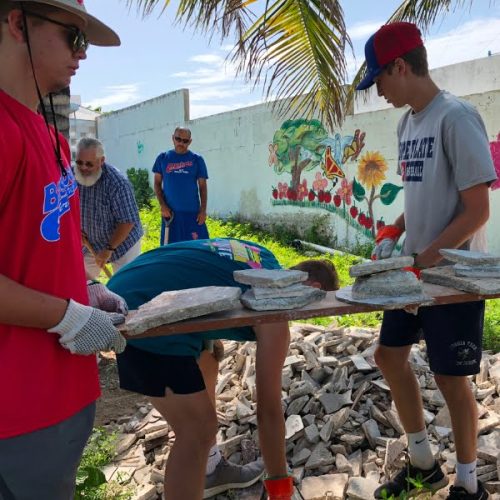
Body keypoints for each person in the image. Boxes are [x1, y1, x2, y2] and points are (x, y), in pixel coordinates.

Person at [356, 22, 497, 500]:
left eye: (380, 79)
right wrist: (397, 226)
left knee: (451, 379)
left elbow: (478, 209)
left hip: (451, 276)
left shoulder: (456, 117)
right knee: (388, 356)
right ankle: (422, 465)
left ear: (400, 66)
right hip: (413, 274)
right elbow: (425, 194)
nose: (379, 91)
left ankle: (468, 484)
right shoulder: (407, 122)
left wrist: (423, 260)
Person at [0, 1, 127, 498]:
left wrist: (87, 288)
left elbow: (45, 239)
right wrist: (69, 317)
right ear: (17, 24)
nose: (83, 54)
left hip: (64, 394)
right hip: (17, 406)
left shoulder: (52, 137)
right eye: (73, 37)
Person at [107, 238, 339, 500]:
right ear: (314, 288)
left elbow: (200, 271)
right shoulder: (275, 306)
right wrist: (279, 487)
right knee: (198, 430)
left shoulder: (263, 255)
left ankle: (209, 469)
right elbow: (268, 409)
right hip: (139, 313)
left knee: (209, 357)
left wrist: (208, 337)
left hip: (126, 286)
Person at [76, 137, 144, 279]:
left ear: (101, 161)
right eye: (79, 162)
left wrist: (108, 249)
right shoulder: (72, 176)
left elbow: (127, 222)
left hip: (123, 243)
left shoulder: (117, 183)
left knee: (125, 284)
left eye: (89, 164)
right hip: (90, 243)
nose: (83, 168)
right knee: (81, 282)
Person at [152, 126, 209, 245]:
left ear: (190, 142)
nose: (181, 143)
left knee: (198, 250)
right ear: (173, 138)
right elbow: (157, 184)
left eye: (185, 141)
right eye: (178, 139)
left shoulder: (197, 160)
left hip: (193, 214)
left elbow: (202, 187)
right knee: (170, 252)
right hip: (171, 216)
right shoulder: (163, 158)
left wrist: (203, 210)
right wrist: (163, 205)